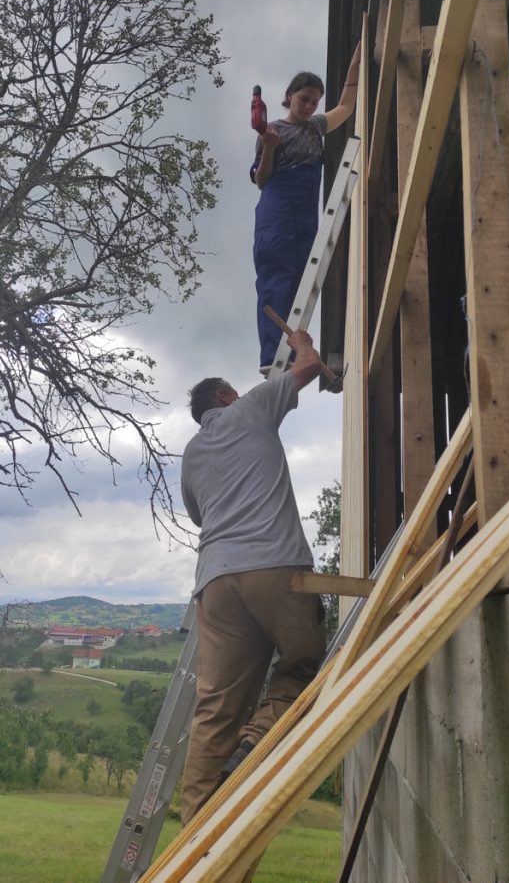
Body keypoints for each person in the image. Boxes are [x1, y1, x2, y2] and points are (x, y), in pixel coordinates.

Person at [179, 329, 327, 824]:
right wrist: (303, 341)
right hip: (274, 567)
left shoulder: (192, 454)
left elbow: (200, 516)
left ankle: (195, 841)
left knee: (215, 708)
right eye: (233, 391)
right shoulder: (253, 408)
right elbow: (306, 366)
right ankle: (254, 747)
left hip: (215, 583)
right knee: (304, 665)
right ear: (225, 397)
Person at [251, 42, 361, 371]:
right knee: (277, 272)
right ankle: (272, 356)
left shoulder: (316, 127)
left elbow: (346, 105)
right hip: (279, 204)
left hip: (305, 207)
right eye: (304, 99)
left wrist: (357, 59)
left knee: (301, 277)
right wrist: (269, 147)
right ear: (289, 95)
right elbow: (261, 179)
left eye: (314, 101)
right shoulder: (274, 131)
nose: (310, 106)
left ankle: (293, 349)